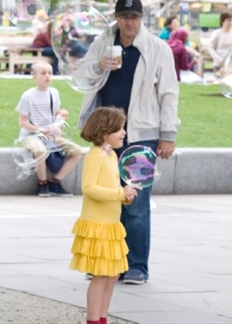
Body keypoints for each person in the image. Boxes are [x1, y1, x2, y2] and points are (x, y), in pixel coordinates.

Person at [74, 0, 179, 285]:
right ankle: (110, 264)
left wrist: (167, 135)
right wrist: (99, 66)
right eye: (123, 17)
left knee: (136, 203)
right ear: (116, 18)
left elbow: (169, 93)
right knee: (108, 203)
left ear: (141, 19)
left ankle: (137, 266)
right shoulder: (102, 43)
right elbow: (80, 75)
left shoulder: (158, 48)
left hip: (143, 137)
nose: (128, 23)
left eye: (133, 17)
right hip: (106, 136)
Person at [70, 107, 138, 324]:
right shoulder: (95, 156)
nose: (124, 132)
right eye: (119, 129)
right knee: (101, 275)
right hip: (98, 225)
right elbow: (89, 188)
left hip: (111, 225)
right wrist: (119, 193)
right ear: (104, 131)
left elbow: (111, 187)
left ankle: (102, 318)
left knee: (113, 274)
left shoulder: (111, 155)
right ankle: (94, 320)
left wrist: (125, 196)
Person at [16, 62, 84, 197]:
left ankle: (55, 182)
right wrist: (39, 130)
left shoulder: (54, 93)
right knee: (41, 151)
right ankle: (42, 183)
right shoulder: (28, 96)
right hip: (31, 135)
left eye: (50, 73)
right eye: (43, 73)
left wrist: (61, 117)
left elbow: (55, 115)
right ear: (34, 77)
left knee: (78, 152)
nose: (47, 76)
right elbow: (22, 122)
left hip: (50, 135)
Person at [209, 11, 232, 76]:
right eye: (229, 20)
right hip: (220, 65)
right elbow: (211, 48)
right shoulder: (216, 34)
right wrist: (219, 59)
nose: (231, 22)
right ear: (223, 21)